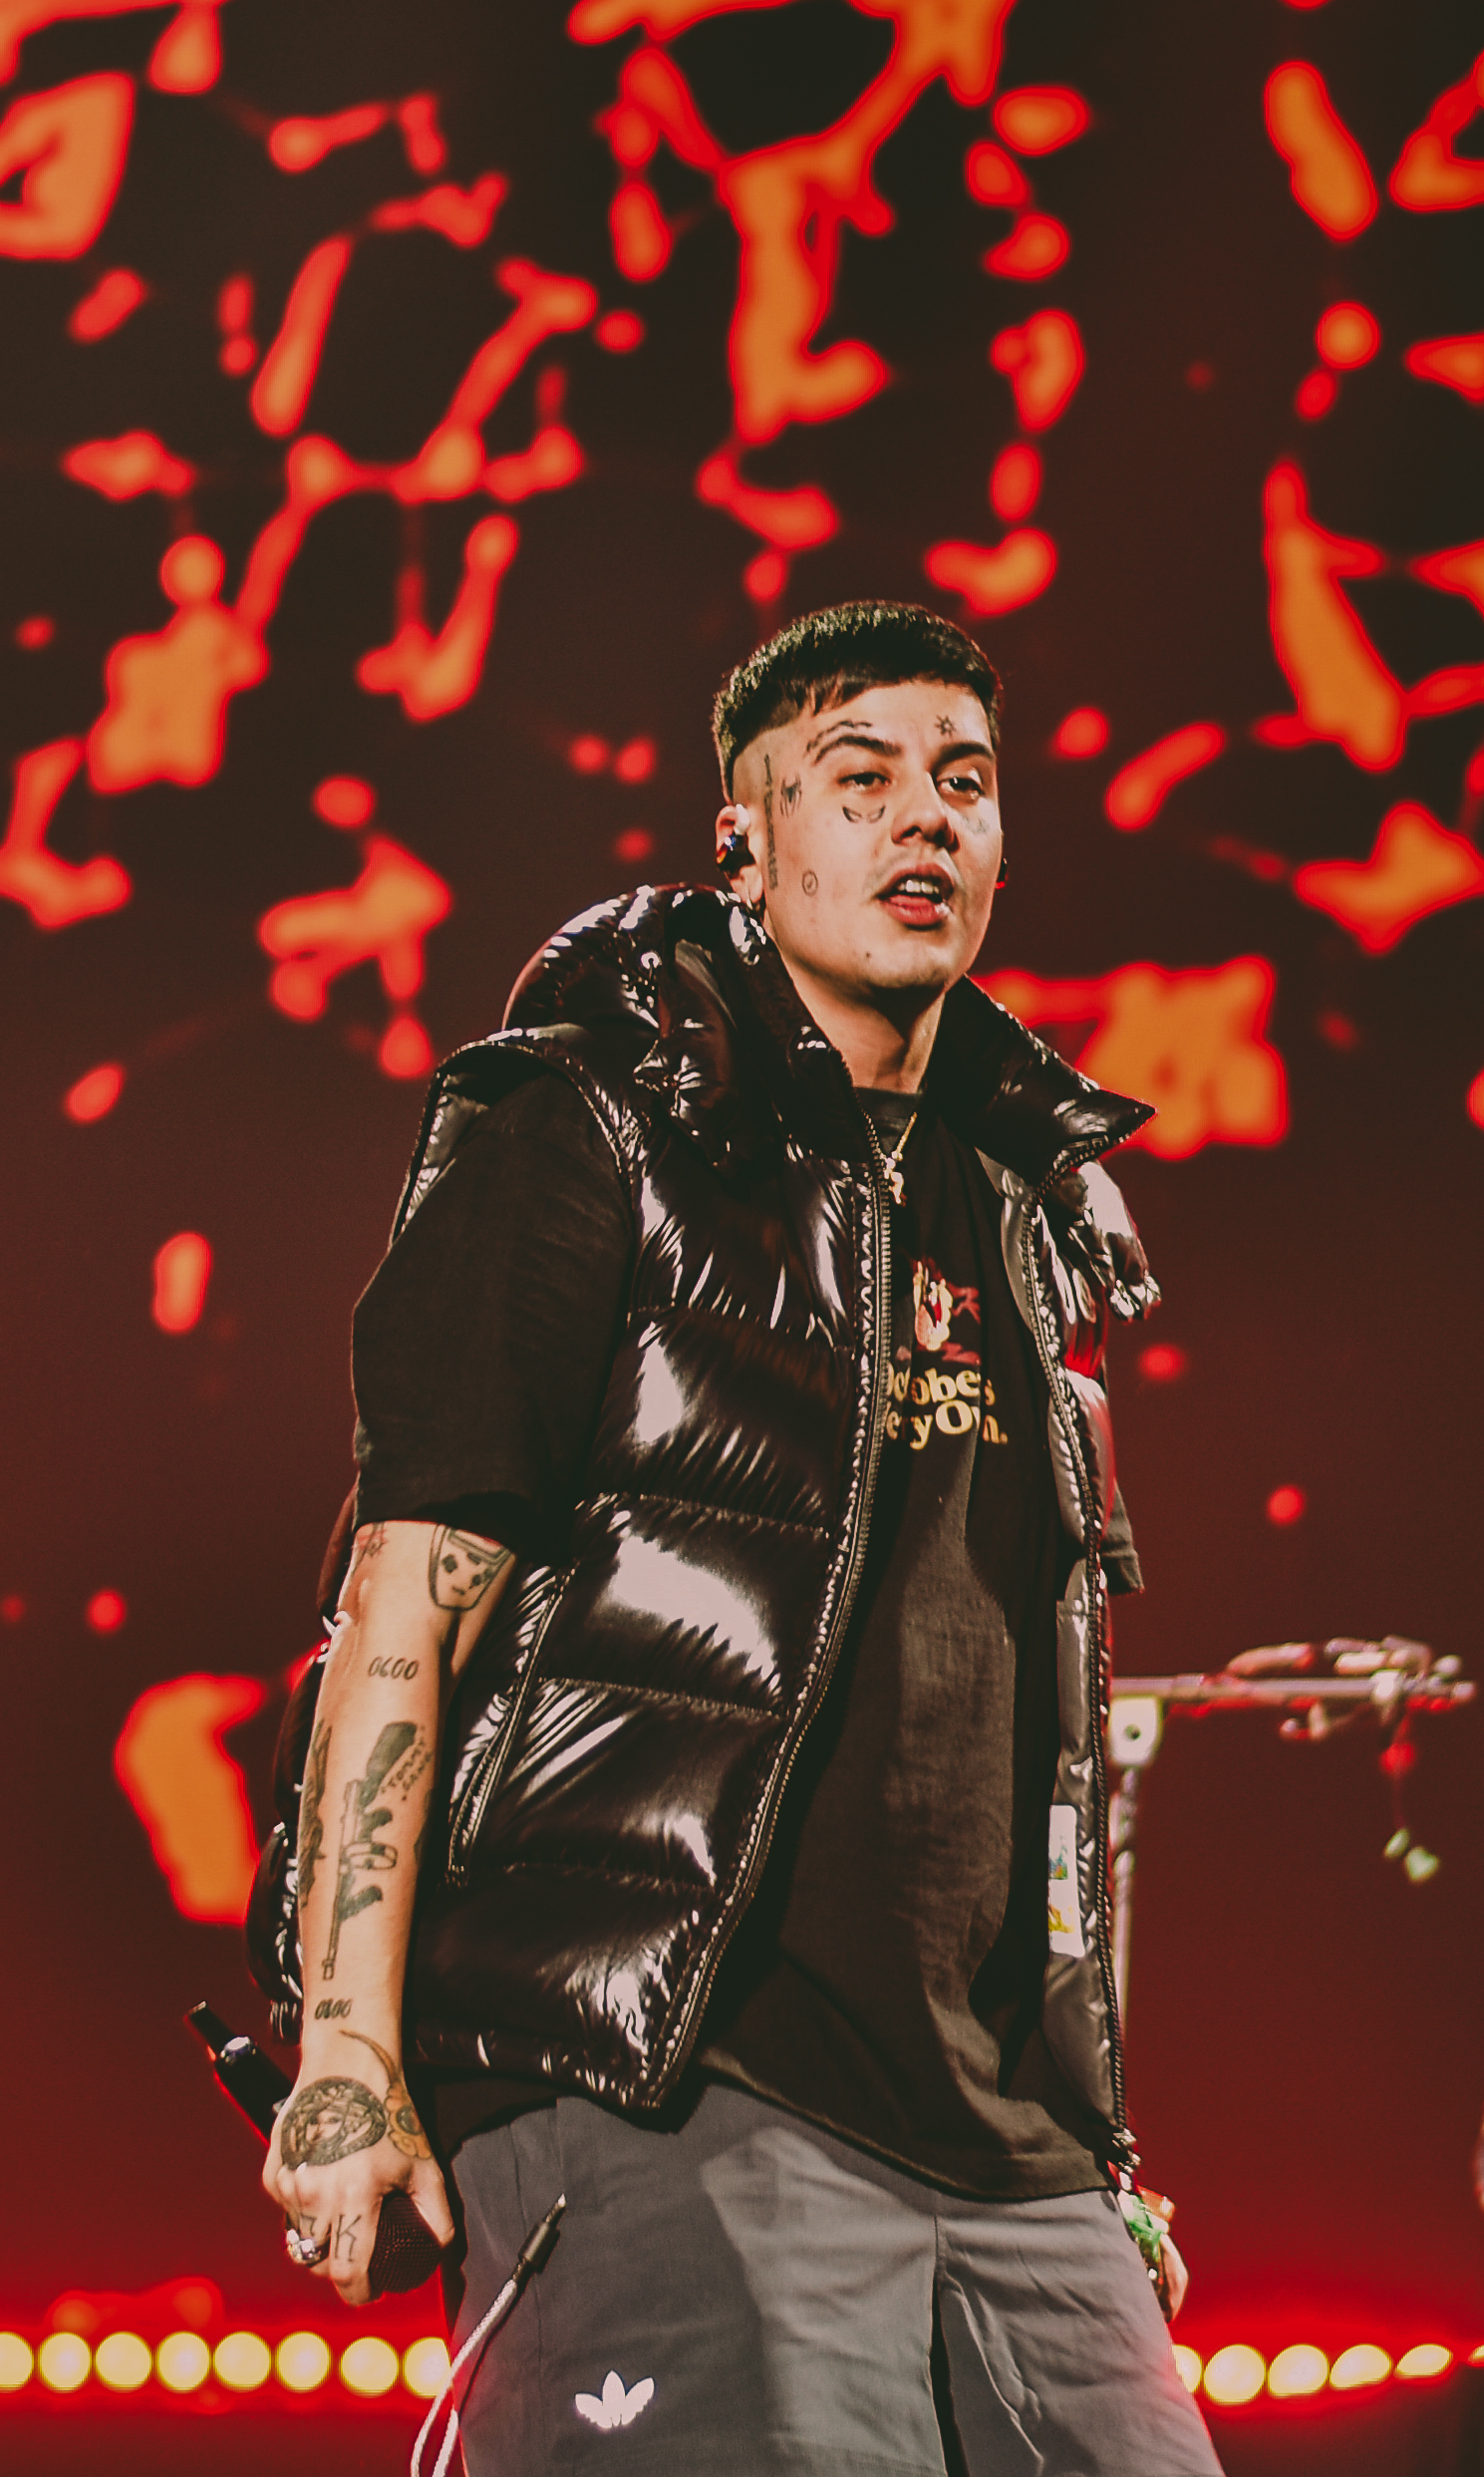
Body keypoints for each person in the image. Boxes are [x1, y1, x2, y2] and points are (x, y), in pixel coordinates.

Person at [243, 601, 1217, 2474]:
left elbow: (1024, 1735)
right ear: (746, 841)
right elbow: (409, 1601)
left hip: (1012, 2162)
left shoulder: (1032, 1206)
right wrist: (349, 2054)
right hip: (668, 2088)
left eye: (964, 782)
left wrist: (1091, 2128)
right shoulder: (590, 1129)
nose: (923, 818)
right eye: (859, 779)